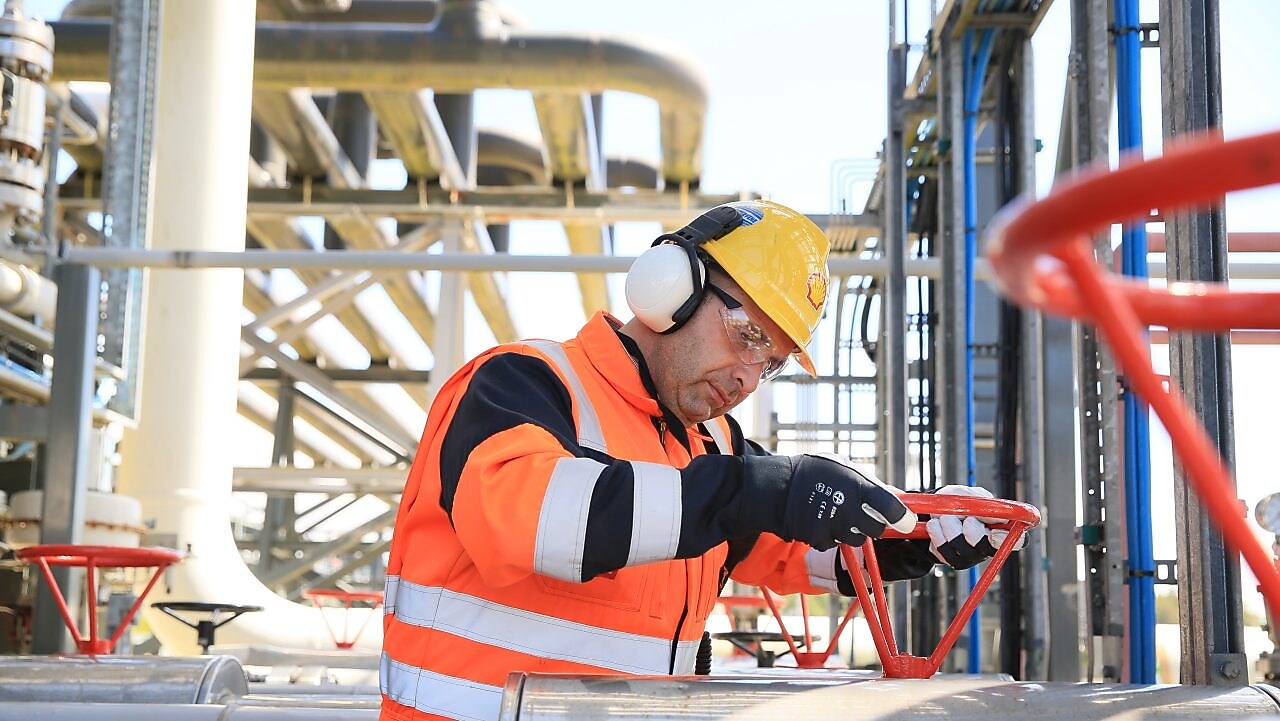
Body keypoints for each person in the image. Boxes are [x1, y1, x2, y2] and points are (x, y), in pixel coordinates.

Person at [379, 199, 1023, 721]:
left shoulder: (710, 445)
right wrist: (751, 491)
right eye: (746, 334)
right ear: (669, 289)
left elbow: (791, 543)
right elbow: (532, 522)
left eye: (769, 363)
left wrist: (913, 534)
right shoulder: (524, 384)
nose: (748, 377)